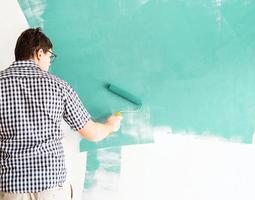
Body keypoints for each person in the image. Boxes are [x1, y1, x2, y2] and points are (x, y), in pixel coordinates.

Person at [0, 27, 123, 200]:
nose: (50, 62)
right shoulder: (58, 86)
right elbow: (92, 133)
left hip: (11, 187)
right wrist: (111, 125)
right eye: (50, 56)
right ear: (39, 53)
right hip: (51, 186)